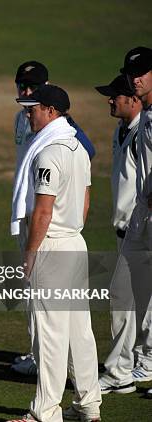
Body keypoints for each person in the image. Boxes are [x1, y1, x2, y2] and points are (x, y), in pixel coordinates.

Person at [8, 85, 101, 422]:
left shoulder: (48, 153)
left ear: (49, 110)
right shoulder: (77, 147)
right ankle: (89, 406)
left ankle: (44, 413)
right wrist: (70, 230)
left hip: (52, 247)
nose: (27, 113)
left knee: (49, 335)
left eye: (32, 108)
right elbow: (86, 201)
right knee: (79, 331)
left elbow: (43, 212)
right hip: (74, 243)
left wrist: (31, 254)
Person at [95, 73, 145, 394]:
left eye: (115, 96)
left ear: (134, 99)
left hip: (140, 231)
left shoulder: (144, 132)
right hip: (124, 229)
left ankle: (119, 371)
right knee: (138, 301)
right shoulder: (122, 129)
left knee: (122, 297)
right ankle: (140, 362)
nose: (110, 100)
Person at [118, 46, 152, 398]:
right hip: (142, 217)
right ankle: (122, 369)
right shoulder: (147, 116)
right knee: (125, 290)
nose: (135, 78)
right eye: (132, 73)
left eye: (142, 71)